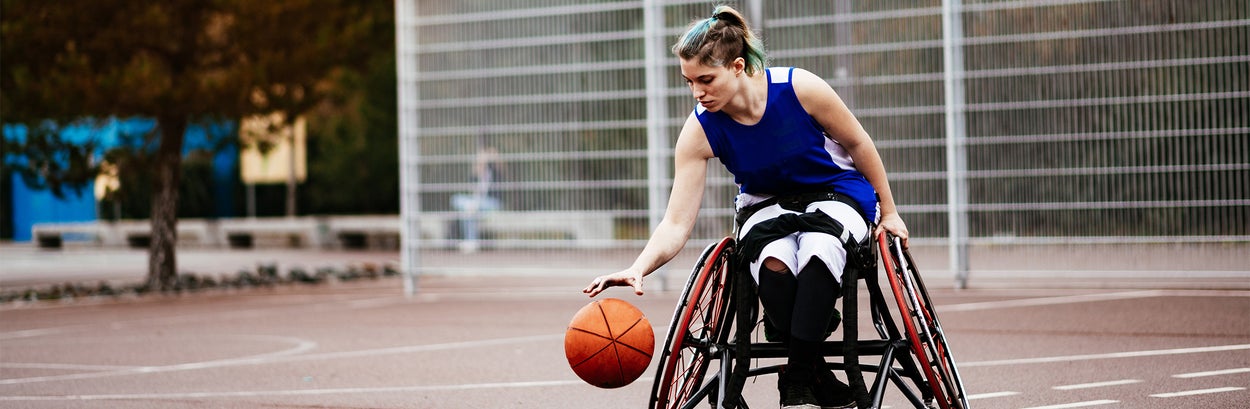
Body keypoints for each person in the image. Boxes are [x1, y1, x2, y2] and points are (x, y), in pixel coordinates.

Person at [583, 6, 909, 409]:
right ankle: (811, 363)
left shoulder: (799, 87)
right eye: (688, 82)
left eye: (706, 79)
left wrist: (889, 212)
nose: (697, 92)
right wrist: (638, 267)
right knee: (772, 258)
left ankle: (799, 377)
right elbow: (676, 221)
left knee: (819, 250)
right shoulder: (700, 129)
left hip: (834, 192)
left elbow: (859, 143)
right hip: (766, 203)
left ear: (737, 67)